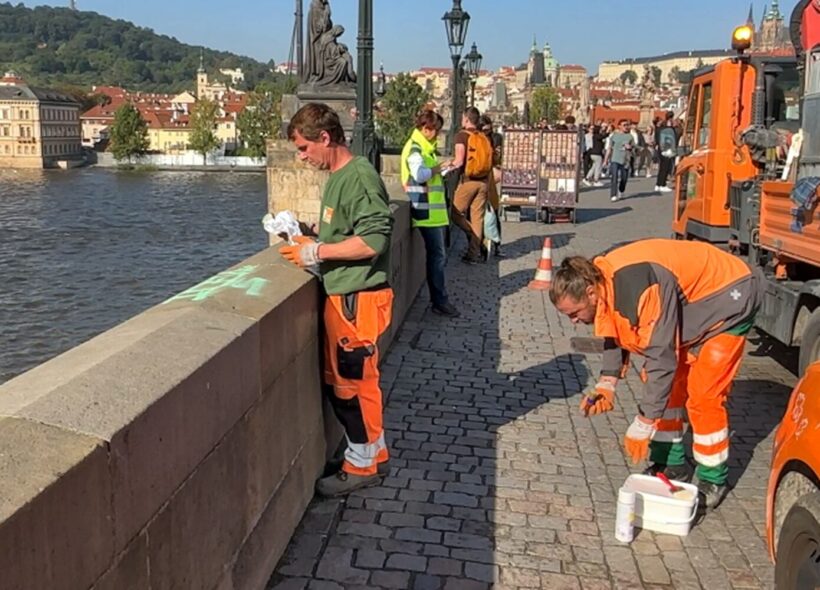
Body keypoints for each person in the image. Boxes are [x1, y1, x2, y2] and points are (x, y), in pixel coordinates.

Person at [548, 239, 764, 510]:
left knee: (703, 395)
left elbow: (661, 359)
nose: (574, 321)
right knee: (665, 389)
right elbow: (614, 325)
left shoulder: (641, 288)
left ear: (590, 293)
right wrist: (607, 384)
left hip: (731, 297)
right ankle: (672, 464)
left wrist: (644, 422)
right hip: (695, 303)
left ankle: (713, 479)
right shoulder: (599, 277)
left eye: (574, 313)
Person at [280, 103, 394, 497]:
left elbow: (374, 240)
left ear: (325, 138)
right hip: (347, 296)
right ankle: (372, 453)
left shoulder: (357, 177)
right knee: (355, 383)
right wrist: (312, 237)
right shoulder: (339, 177)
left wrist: (317, 252)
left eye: (304, 147)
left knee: (351, 386)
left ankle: (361, 465)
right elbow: (349, 231)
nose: (302, 157)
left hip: (357, 300)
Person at [400, 110, 459, 317]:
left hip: (431, 211)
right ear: (426, 129)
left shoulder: (425, 147)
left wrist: (443, 169)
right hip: (425, 211)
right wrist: (437, 168)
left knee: (437, 256)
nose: (438, 134)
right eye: (436, 130)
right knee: (437, 257)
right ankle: (439, 301)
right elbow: (420, 174)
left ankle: (439, 299)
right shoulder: (416, 148)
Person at [449, 106, 491, 264]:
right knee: (477, 218)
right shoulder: (483, 136)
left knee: (455, 213)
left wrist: (446, 167)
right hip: (483, 181)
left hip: (468, 182)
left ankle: (476, 239)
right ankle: (474, 254)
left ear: (466, 119)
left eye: (462, 118)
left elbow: (459, 161)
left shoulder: (462, 136)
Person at [479, 114, 503, 257]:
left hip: (490, 179)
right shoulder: (477, 138)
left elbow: (497, 159)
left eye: (488, 130)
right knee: (479, 215)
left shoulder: (495, 138)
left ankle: (497, 244)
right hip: (480, 179)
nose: (486, 133)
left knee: (493, 212)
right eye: (484, 130)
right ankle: (480, 244)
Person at [604, 119, 634, 202]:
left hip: (625, 159)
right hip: (615, 159)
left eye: (627, 125)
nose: (626, 127)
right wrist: (605, 160)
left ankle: (621, 190)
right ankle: (613, 194)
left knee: (624, 178)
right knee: (614, 176)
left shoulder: (630, 136)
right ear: (619, 126)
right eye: (624, 125)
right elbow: (609, 148)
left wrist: (630, 147)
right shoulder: (614, 136)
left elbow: (634, 147)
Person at [655, 112, 678, 193]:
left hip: (662, 150)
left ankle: (658, 184)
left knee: (662, 168)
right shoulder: (668, 130)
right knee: (665, 168)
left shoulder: (660, 129)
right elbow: (670, 140)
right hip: (667, 150)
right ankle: (662, 185)